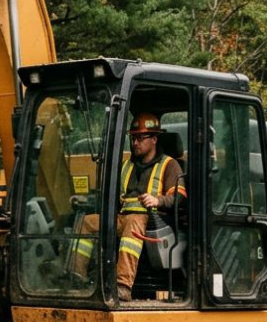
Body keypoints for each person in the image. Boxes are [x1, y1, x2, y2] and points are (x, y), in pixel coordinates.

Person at [71, 113, 184, 301]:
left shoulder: (169, 165)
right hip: (124, 218)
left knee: (133, 222)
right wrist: (87, 200)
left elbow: (180, 197)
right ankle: (77, 276)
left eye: (140, 138)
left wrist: (158, 200)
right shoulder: (126, 166)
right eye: (133, 138)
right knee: (88, 222)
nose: (135, 143)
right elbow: (111, 196)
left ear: (154, 139)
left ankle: (123, 285)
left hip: (155, 223)